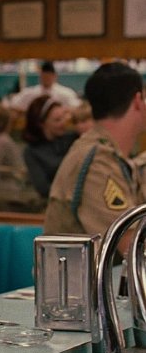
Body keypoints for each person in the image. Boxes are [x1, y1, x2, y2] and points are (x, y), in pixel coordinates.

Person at [45, 62, 146, 252]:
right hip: (78, 273)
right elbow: (133, 247)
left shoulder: (103, 152)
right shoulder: (97, 162)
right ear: (138, 101)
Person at [22, 95, 78, 199]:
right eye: (57, 120)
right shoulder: (32, 151)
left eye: (64, 117)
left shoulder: (73, 139)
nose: (63, 123)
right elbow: (43, 188)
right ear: (41, 123)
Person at [10, 61, 81, 112]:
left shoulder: (65, 93)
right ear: (40, 76)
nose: (46, 79)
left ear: (55, 76)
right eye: (44, 76)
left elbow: (77, 107)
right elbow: (13, 104)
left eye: (49, 76)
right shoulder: (30, 93)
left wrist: (62, 111)